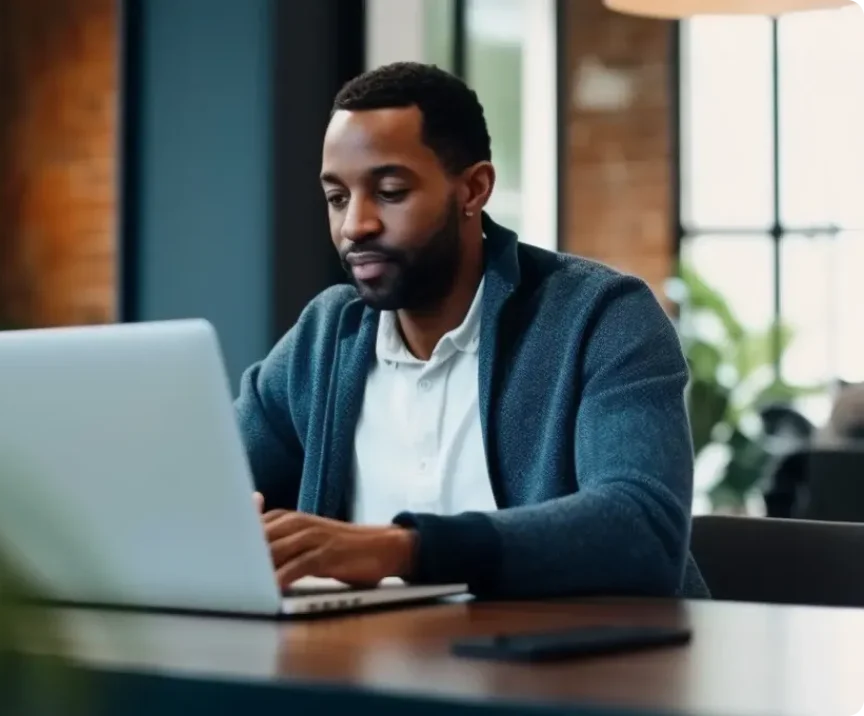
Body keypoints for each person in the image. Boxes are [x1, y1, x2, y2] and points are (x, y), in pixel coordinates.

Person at [236, 62, 708, 599]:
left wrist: (398, 548)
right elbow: (212, 480)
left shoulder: (601, 317)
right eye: (338, 198)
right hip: (368, 669)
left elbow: (643, 530)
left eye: (389, 192)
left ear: (474, 189)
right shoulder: (324, 339)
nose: (354, 225)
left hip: (578, 671)